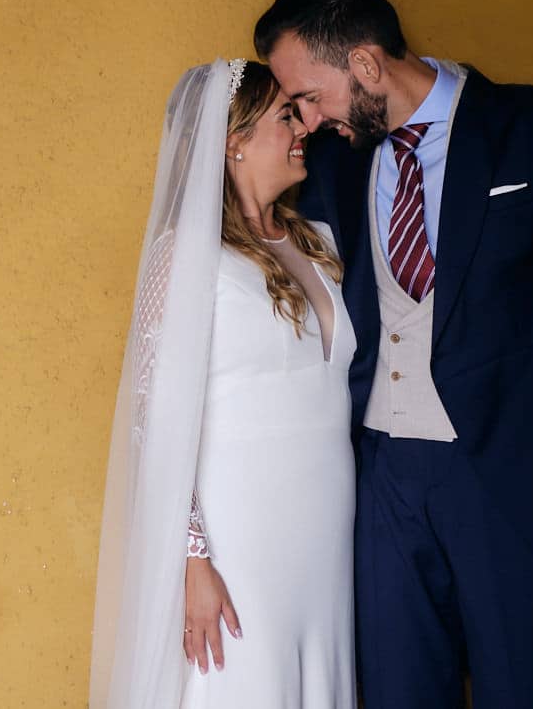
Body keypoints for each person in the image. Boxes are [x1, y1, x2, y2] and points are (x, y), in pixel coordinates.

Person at [254, 0, 533, 708]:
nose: (304, 121)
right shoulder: (337, 159)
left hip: (509, 480)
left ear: (366, 64)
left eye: (309, 96)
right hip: (381, 481)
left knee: (523, 690)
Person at [91, 59, 358, 708]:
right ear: (232, 140)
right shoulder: (186, 254)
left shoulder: (317, 239)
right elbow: (150, 418)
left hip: (325, 531)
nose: (302, 129)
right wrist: (191, 559)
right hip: (240, 536)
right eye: (284, 117)